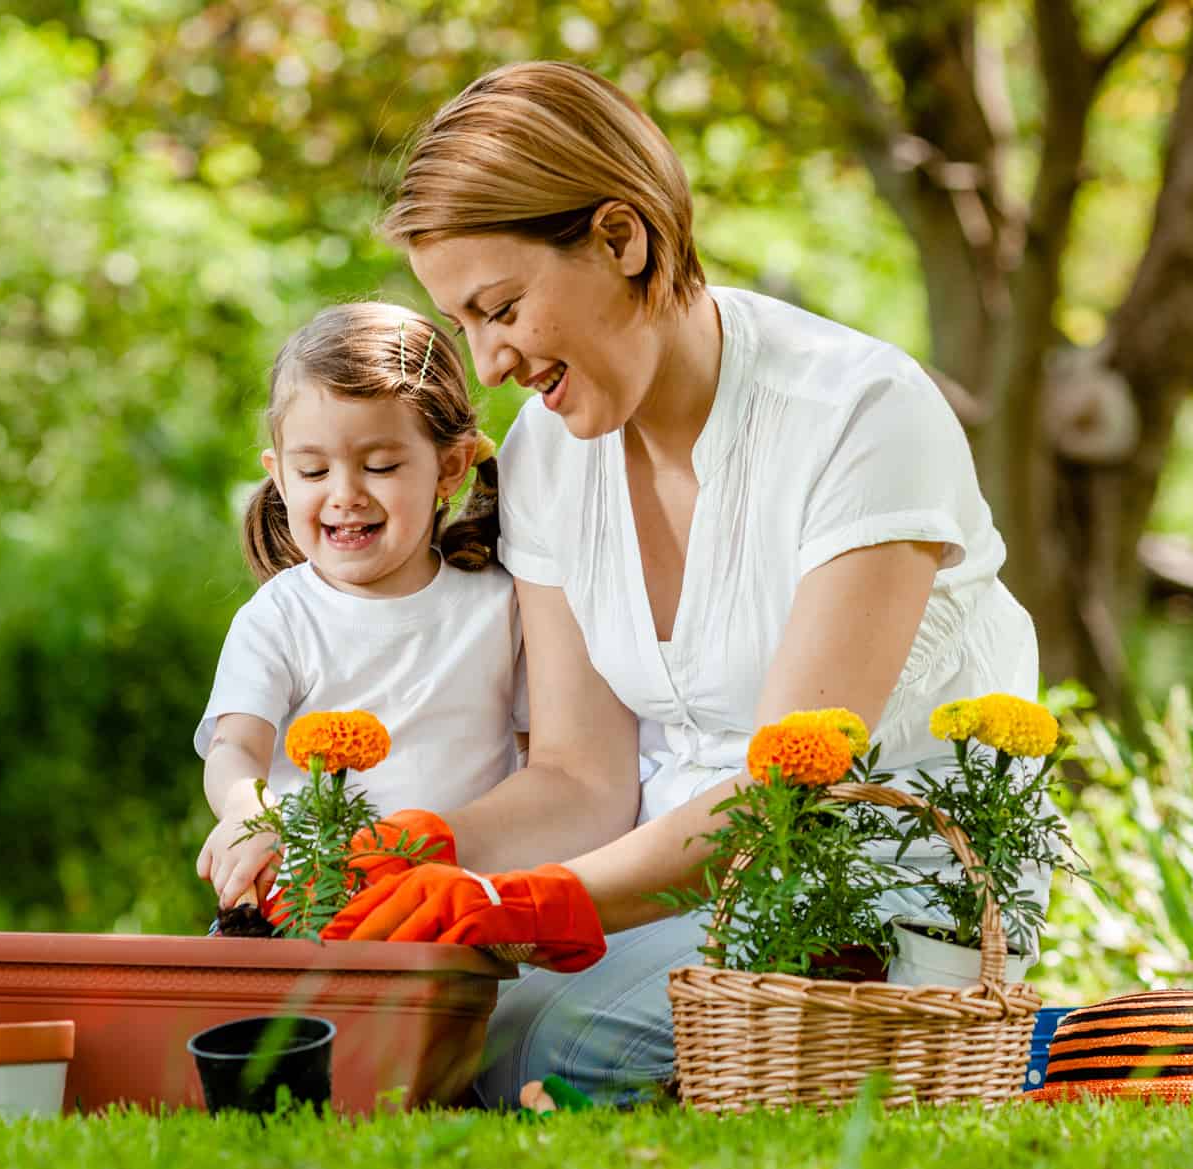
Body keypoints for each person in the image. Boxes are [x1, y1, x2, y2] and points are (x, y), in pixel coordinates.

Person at [320, 61, 1043, 1105]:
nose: (488, 362)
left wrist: (535, 902)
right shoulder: (546, 456)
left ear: (622, 238)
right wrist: (430, 850)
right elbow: (579, 774)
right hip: (648, 902)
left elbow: (786, 792)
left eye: (503, 307)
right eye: (464, 324)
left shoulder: (857, 413)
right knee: (402, 1020)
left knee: (539, 1048)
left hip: (872, 909)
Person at [194, 302, 529, 913]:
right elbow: (235, 748)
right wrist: (251, 813)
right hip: (308, 910)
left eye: (380, 466)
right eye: (314, 469)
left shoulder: (499, 606)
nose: (344, 495)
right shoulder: (281, 618)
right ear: (280, 475)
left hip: (454, 913)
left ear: (448, 468)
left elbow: (541, 762)